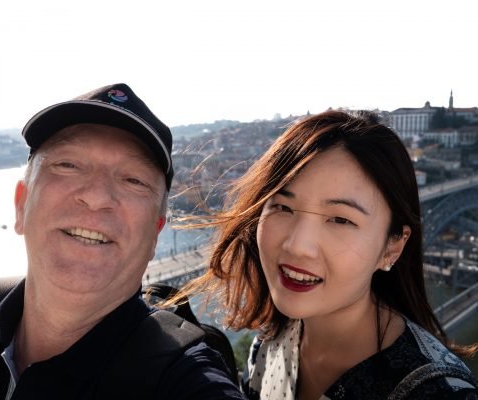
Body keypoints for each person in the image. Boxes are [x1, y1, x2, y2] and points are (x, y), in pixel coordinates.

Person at [175, 110, 478, 399]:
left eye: (340, 219)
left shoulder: (437, 392)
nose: (297, 246)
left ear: (392, 246)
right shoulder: (271, 344)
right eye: (282, 207)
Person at [0, 83, 245, 399]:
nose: (96, 196)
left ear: (154, 235)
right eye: (68, 165)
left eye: (134, 180)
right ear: (22, 205)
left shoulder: (184, 381)